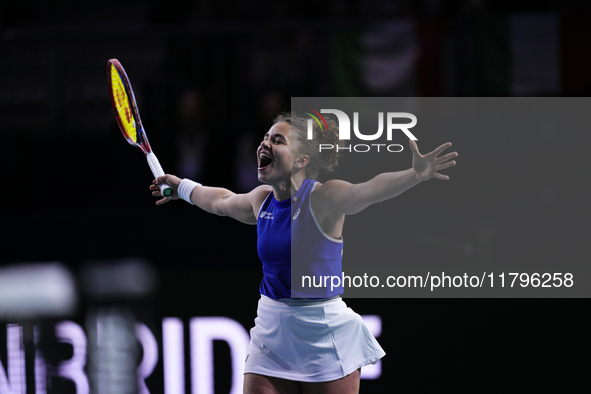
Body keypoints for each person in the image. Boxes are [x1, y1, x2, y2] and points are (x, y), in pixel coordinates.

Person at [150, 111, 457, 394]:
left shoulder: (323, 198)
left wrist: (413, 175)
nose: (264, 144)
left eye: (277, 140)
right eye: (265, 138)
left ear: (301, 160)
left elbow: (369, 190)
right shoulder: (262, 200)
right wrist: (182, 188)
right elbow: (222, 200)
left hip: (323, 332)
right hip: (272, 329)